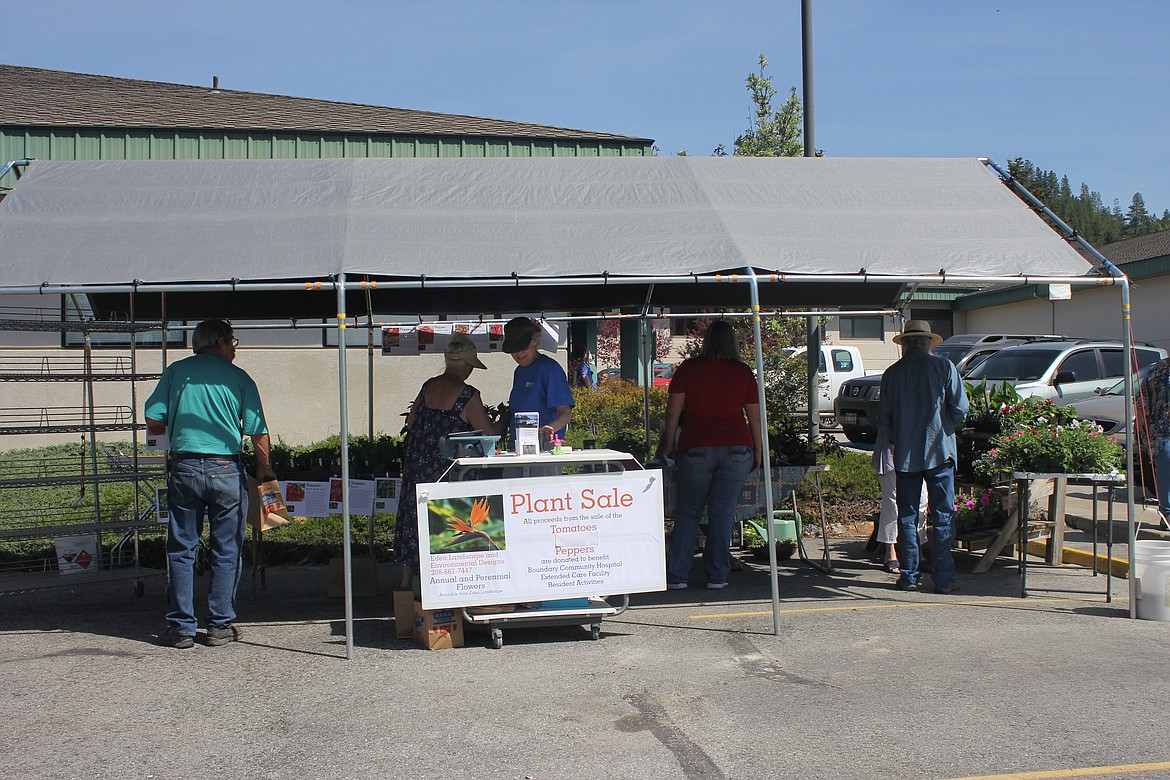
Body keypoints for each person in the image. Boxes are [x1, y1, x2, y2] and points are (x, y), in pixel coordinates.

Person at [145, 320, 274, 648]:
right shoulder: (239, 378)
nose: (234, 347)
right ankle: (219, 625)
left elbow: (153, 418)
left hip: (185, 466)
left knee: (181, 548)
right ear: (218, 342)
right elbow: (257, 431)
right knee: (226, 548)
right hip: (225, 469)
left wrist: (176, 422)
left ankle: (182, 628)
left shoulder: (176, 372)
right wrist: (266, 470)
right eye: (232, 341)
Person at [655, 320, 762, 590]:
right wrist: (760, 449)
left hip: (696, 446)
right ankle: (717, 576)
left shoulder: (689, 370)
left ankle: (678, 575)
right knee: (722, 513)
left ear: (706, 341)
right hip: (738, 447)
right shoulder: (742, 372)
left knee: (688, 512)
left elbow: (673, 412)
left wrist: (668, 444)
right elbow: (755, 418)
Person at [394, 333, 498, 590]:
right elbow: (487, 434)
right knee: (450, 527)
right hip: (448, 473)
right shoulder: (468, 394)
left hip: (418, 467)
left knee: (414, 522)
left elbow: (410, 422)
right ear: (464, 365)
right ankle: (446, 585)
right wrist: (505, 422)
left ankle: (406, 585)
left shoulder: (428, 385)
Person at [877, 320, 969, 593]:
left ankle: (909, 576)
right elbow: (960, 409)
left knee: (907, 515)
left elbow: (885, 420)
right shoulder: (944, 367)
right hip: (940, 450)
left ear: (905, 344)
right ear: (928, 343)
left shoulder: (892, 374)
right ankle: (943, 578)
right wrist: (945, 425)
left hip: (905, 453)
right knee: (942, 515)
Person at [502, 316, 574, 447]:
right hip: (518, 445)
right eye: (514, 349)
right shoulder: (519, 371)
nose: (519, 354)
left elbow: (565, 413)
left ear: (534, 341)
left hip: (544, 445)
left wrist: (550, 428)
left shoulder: (550, 369)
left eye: (523, 348)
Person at [1137, 354, 1170, 527]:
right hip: (1161, 429)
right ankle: (1167, 514)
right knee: (1166, 463)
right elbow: (1141, 395)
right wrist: (1141, 414)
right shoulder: (1158, 371)